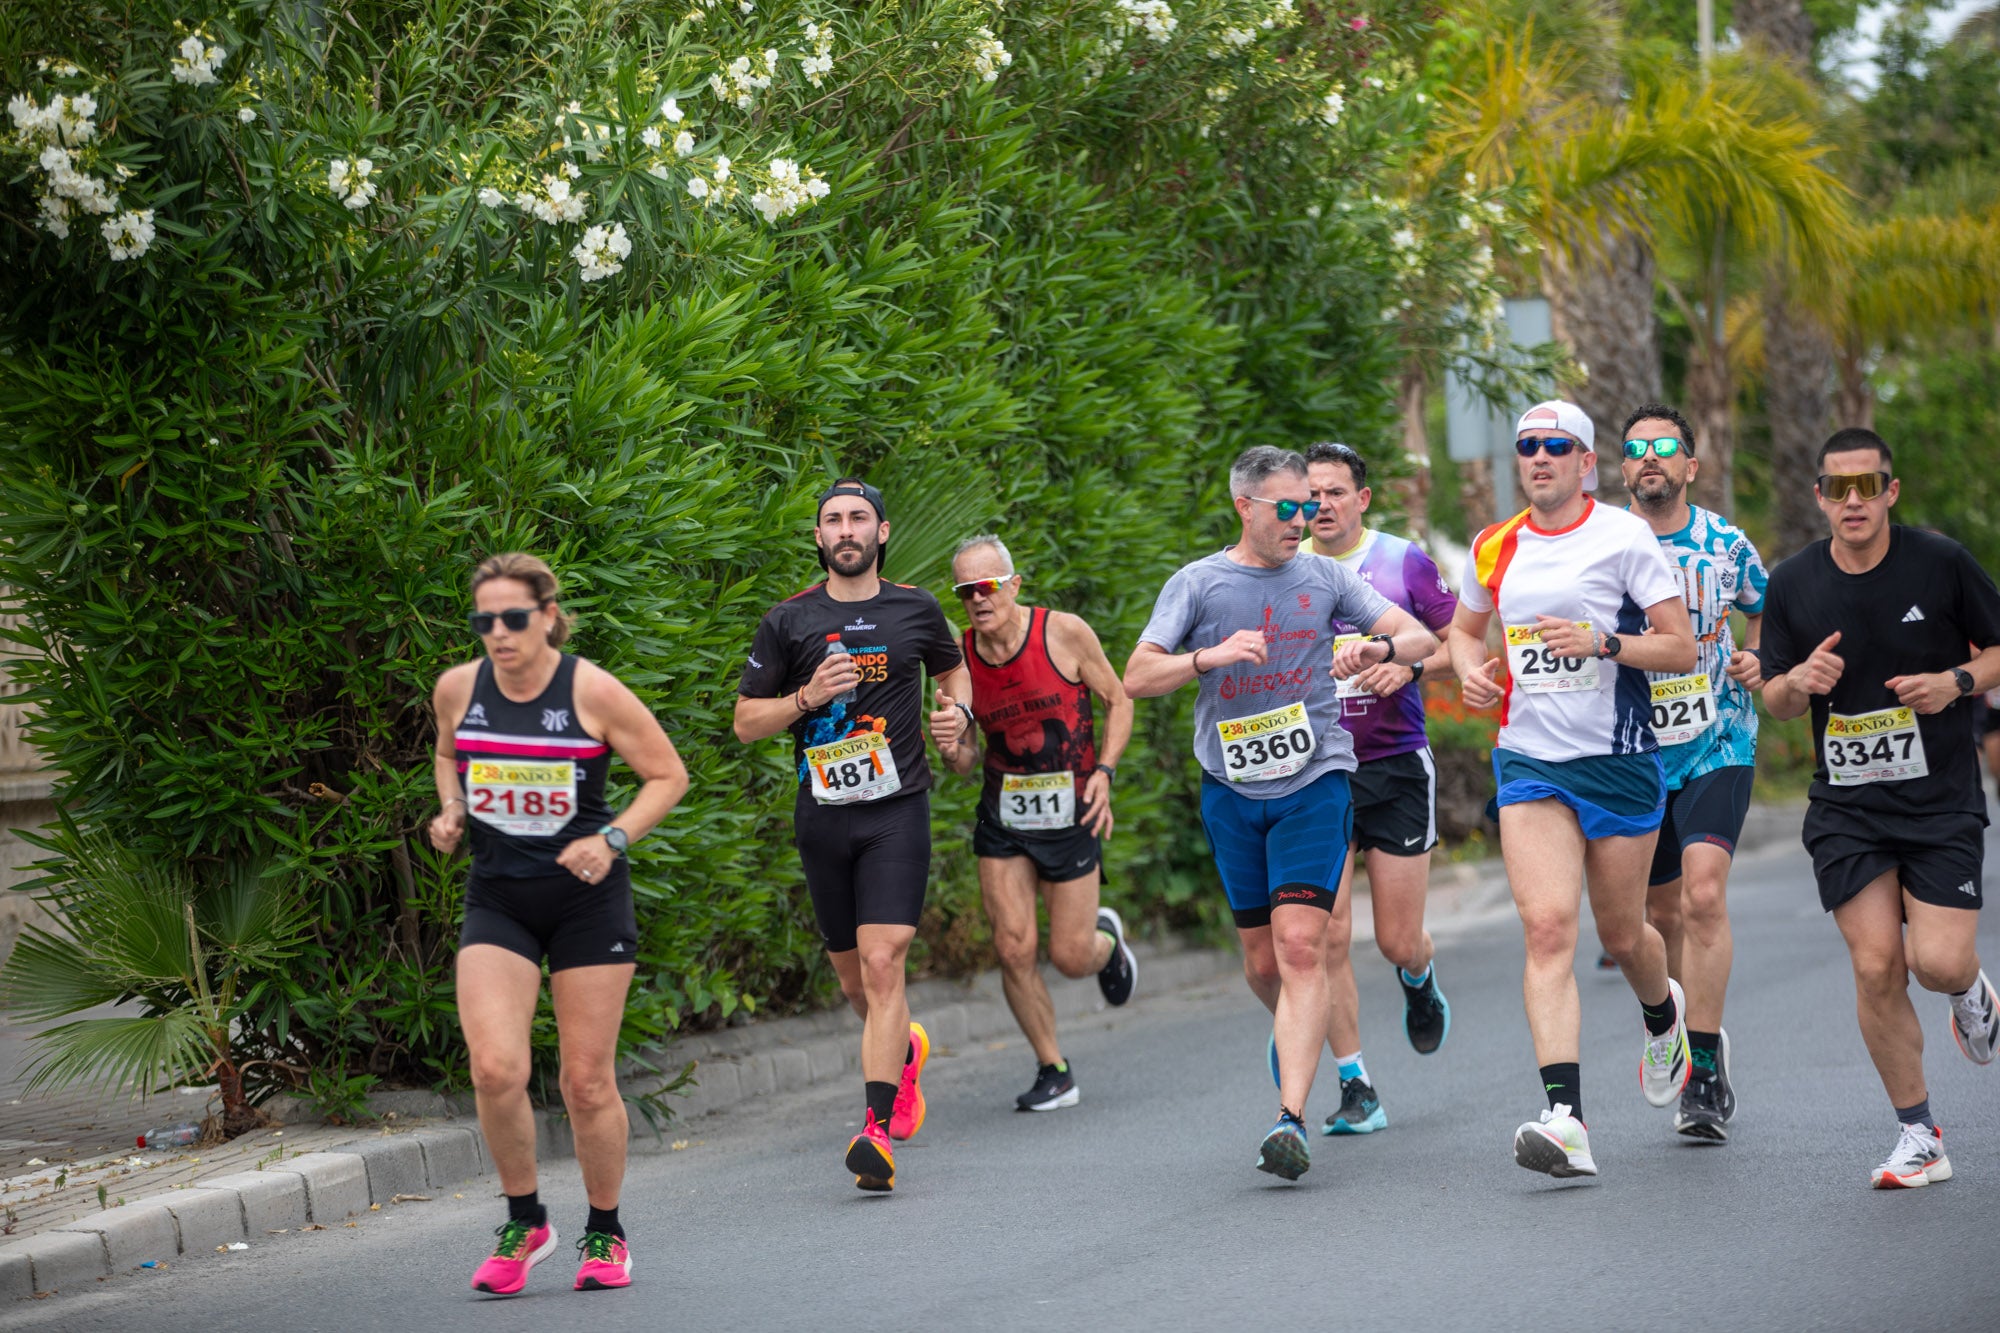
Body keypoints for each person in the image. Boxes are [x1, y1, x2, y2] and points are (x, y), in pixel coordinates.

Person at [1124, 446, 1438, 1181]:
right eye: (1287, 508)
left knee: (1304, 946)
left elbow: (1421, 635)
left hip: (1316, 779)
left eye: (1309, 506)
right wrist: (1209, 658)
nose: (1304, 519)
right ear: (1245, 507)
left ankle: (1289, 1118)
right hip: (1231, 790)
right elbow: (1137, 676)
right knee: (1265, 963)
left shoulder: (1326, 577)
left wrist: (1377, 643)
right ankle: (1302, 1030)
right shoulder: (1198, 583)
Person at [1445, 400, 1697, 1180]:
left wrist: (1603, 642)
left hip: (1618, 760)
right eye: (1528, 446)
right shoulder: (1495, 544)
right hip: (1531, 762)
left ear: (1588, 463)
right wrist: (1467, 671)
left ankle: (1664, 1015)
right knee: (1550, 929)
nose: (1540, 457)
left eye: (1558, 445)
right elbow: (1463, 630)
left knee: (1624, 938)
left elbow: (1680, 645)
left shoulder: (1624, 536)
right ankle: (1567, 1119)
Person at [430, 552, 690, 1295]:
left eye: (514, 618)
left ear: (548, 615)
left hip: (585, 901)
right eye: (486, 621)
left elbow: (668, 774)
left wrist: (612, 840)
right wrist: (451, 809)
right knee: (494, 1068)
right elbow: (448, 753)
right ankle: (526, 1219)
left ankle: (605, 1232)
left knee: (584, 1081)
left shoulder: (591, 689)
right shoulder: (458, 687)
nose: (500, 634)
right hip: (499, 897)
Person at [1759, 428, 2000, 1188]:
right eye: (1839, 487)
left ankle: (1970, 988)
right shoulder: (1793, 582)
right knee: (1874, 965)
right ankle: (1918, 1133)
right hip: (1847, 808)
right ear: (1820, 496)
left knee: (1937, 960)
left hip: (1939, 802)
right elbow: (1773, 699)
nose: (1853, 500)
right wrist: (1801, 681)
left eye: (1868, 486)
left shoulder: (1941, 562)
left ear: (1890, 491)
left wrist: (1954, 683)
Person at [733, 479, 971, 1192]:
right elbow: (746, 722)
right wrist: (806, 697)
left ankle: (873, 1131)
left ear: (881, 530)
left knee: (882, 961)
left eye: (858, 518)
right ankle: (905, 1047)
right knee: (852, 978)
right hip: (824, 813)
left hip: (896, 807)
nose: (845, 529)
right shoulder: (788, 621)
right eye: (832, 519)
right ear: (818, 537)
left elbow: (953, 668)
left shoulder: (916, 608)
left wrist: (957, 719)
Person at [941, 535, 1139, 1112]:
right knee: (1012, 947)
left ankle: (1108, 944)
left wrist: (1104, 769)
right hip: (1004, 819)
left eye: (987, 586)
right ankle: (1053, 1068)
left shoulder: (1063, 632)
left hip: (1072, 812)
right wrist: (951, 743)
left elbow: (1118, 699)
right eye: (964, 591)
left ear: (1013, 584)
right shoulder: (959, 660)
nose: (978, 600)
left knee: (1072, 957)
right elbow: (965, 763)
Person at [1616, 404, 1768, 1143]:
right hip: (1634, 748)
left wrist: (1756, 658)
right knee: (1660, 917)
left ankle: (1704, 1068)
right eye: (1637, 449)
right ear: (1621, 468)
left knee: (1704, 897)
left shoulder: (1726, 542)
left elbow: (1765, 611)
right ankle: (1676, 1027)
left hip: (1719, 739)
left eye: (1664, 448)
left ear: (1690, 466)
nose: (1650, 459)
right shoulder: (1601, 542)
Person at [1297, 442, 1458, 1137]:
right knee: (1326, 933)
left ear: (1362, 499)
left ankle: (1419, 978)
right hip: (1313, 770)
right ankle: (1356, 1081)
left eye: (1335, 492)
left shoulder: (1402, 561)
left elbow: (1459, 646)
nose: (1322, 504)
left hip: (1393, 763)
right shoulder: (1281, 569)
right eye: (1311, 494)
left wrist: (1412, 670)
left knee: (1395, 940)